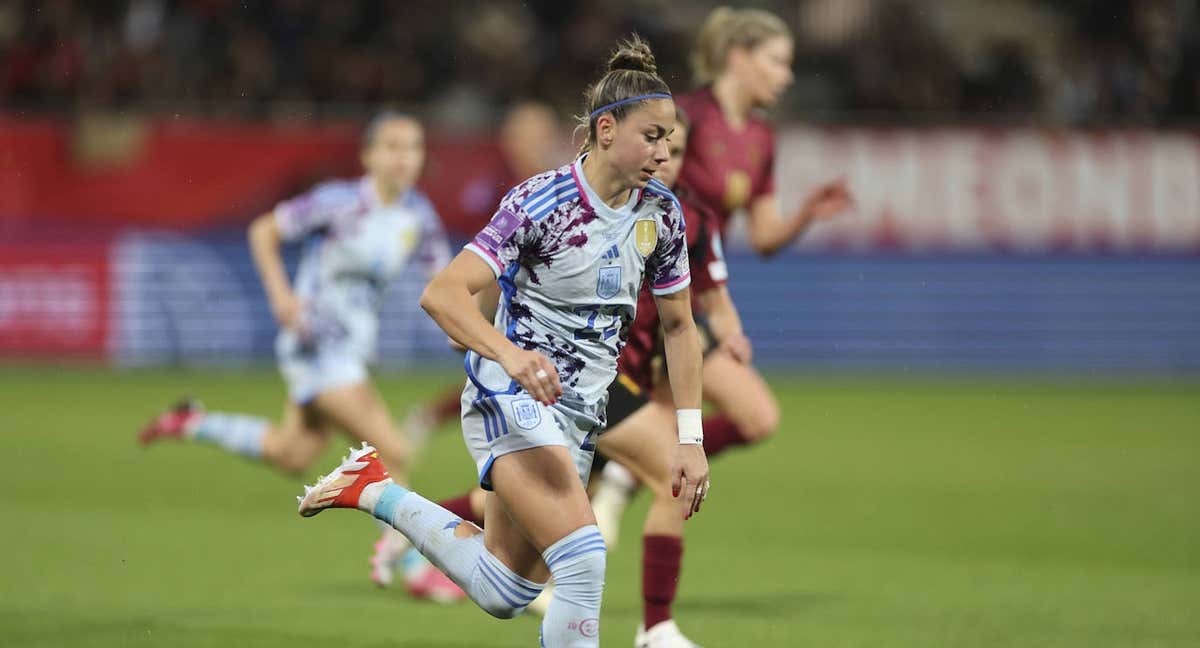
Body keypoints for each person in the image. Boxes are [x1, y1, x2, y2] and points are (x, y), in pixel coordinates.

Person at [296, 37, 710, 648]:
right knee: (584, 558)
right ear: (604, 130)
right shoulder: (542, 204)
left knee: (504, 590)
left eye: (669, 138)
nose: (664, 151)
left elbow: (679, 326)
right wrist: (511, 356)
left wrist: (690, 437)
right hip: (510, 397)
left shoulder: (662, 215)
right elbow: (442, 293)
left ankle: (374, 490)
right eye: (651, 136)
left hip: (579, 414)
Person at [138, 111, 463, 601]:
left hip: (352, 351)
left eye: (413, 147)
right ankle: (414, 565)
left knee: (294, 452)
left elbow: (444, 282)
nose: (403, 157)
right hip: (317, 344)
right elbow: (262, 232)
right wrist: (280, 298)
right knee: (391, 451)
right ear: (368, 155)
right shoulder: (338, 202)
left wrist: (469, 332)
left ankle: (191, 421)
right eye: (392, 146)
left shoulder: (418, 216)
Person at [591, 4, 855, 533]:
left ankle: (621, 481)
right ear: (739, 58)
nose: (787, 75)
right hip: (637, 304)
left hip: (688, 295)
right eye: (777, 61)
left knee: (753, 417)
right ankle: (436, 536)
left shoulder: (760, 139)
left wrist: (804, 215)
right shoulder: (683, 117)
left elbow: (761, 236)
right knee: (565, 478)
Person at [403, 101, 570, 446]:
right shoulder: (501, 186)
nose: (529, 143)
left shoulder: (564, 183)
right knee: (510, 367)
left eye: (537, 134)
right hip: (506, 290)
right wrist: (470, 307)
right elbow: (484, 250)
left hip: (549, 295)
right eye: (522, 135)